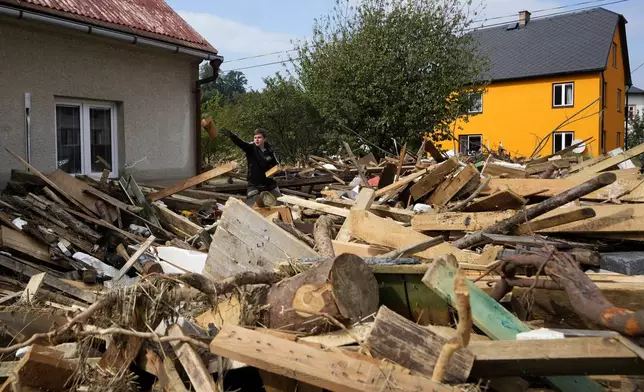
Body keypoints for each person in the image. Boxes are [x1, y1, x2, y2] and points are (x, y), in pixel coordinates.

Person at [220, 128, 282, 206]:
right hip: (254, 184)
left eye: (259, 137)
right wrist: (232, 136)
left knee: (280, 204)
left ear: (264, 139)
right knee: (251, 207)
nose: (257, 140)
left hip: (269, 184)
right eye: (255, 138)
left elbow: (275, 165)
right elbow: (241, 143)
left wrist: (276, 172)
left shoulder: (269, 150)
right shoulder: (251, 148)